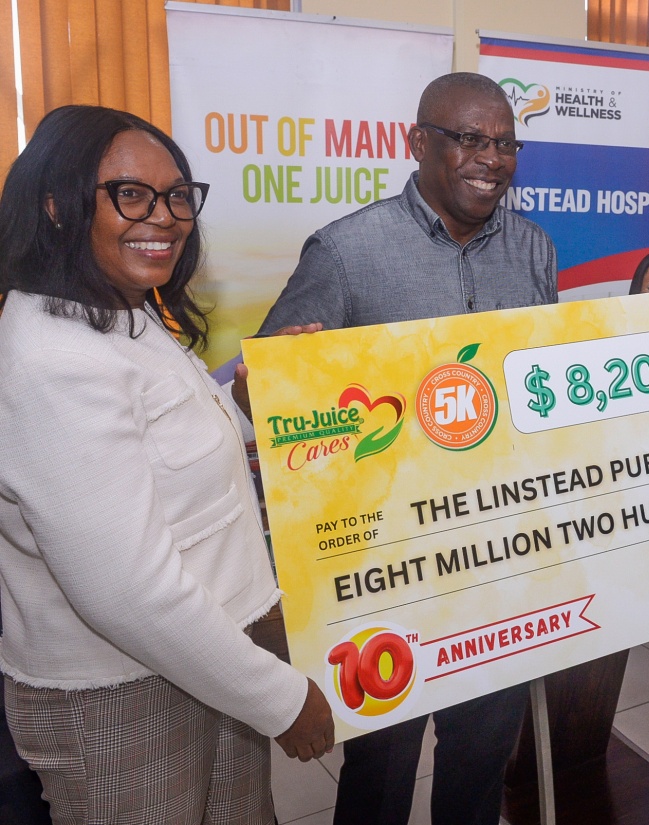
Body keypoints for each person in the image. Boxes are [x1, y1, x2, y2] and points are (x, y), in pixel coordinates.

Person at [0, 105, 333, 825]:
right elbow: (127, 588)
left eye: (179, 195)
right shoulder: (54, 357)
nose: (165, 216)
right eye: (131, 194)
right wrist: (279, 697)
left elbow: (163, 463)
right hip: (126, 693)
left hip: (201, 659)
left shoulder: (121, 308)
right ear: (56, 203)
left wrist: (248, 408)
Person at [255, 72, 557, 825]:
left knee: (480, 763)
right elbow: (266, 392)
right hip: (384, 567)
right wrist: (280, 380)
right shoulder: (346, 254)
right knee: (381, 769)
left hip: (497, 557)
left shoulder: (534, 250)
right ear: (417, 143)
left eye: (505, 143)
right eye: (469, 140)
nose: (491, 159)